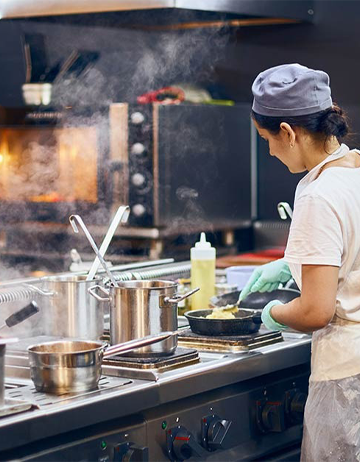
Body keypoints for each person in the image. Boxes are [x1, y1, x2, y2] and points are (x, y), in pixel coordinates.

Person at [240, 63, 360, 461]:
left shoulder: (318, 194)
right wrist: (293, 265)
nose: (270, 151)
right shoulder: (354, 170)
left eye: (266, 139)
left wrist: (272, 313)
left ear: (288, 133)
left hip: (348, 381)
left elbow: (315, 311)